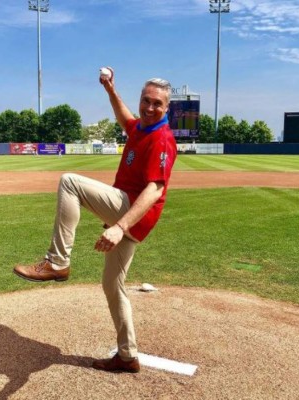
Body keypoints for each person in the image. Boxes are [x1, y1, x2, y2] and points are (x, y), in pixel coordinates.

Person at [13, 68, 177, 373]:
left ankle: (57, 262)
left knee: (70, 181)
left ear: (167, 108)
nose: (149, 108)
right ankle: (127, 356)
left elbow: (155, 189)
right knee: (113, 286)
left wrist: (119, 225)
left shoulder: (162, 139)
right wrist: (111, 90)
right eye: (146, 100)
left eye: (157, 103)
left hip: (131, 212)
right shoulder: (141, 127)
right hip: (129, 215)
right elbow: (125, 118)